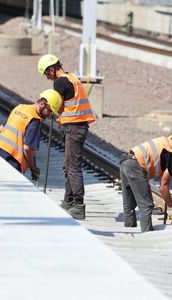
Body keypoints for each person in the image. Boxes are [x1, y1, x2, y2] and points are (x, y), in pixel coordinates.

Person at [37, 54, 95, 220]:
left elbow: (56, 104)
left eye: (47, 74)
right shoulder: (73, 78)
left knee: (73, 166)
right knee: (68, 165)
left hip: (74, 127)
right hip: (79, 126)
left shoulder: (60, 82)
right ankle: (68, 200)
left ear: (52, 69)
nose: (48, 78)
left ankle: (78, 205)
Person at [120, 136, 172, 232]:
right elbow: (163, 187)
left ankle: (129, 229)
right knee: (146, 205)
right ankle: (147, 235)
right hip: (135, 166)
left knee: (129, 203)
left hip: (126, 161)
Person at [0, 89, 62, 180]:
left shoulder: (20, 107)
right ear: (42, 104)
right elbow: (28, 149)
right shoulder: (34, 121)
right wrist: (33, 168)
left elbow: (0, 129)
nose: (49, 115)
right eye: (49, 111)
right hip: (11, 160)